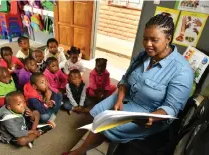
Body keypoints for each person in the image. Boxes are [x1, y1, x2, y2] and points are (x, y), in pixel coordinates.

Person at [63, 14, 194, 155]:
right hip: (127, 98)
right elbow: (125, 80)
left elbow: (171, 108)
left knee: (106, 125)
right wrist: (119, 99)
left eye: (154, 40)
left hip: (148, 112)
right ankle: (82, 150)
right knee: (98, 114)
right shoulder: (142, 56)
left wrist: (151, 117)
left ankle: (83, 150)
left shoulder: (182, 70)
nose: (147, 44)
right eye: (145, 39)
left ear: (168, 39)